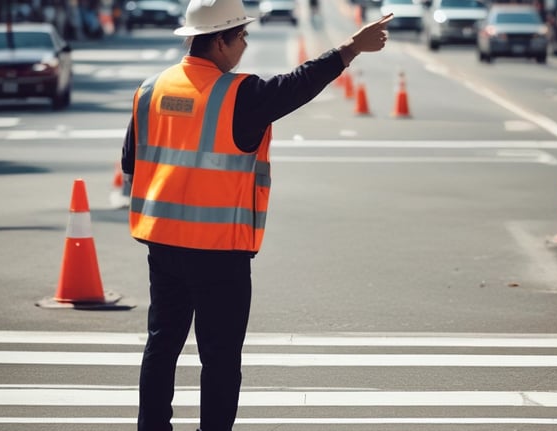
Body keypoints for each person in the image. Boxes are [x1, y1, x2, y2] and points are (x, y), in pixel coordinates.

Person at [120, 0, 393, 429]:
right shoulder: (238, 95)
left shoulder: (150, 90)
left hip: (163, 244)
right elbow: (298, 85)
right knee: (220, 358)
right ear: (220, 41)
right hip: (218, 252)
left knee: (162, 344)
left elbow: (131, 164)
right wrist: (351, 48)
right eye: (241, 36)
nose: (245, 45)